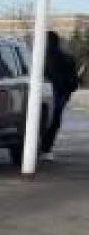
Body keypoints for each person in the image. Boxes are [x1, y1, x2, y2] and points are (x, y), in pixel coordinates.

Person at [39, 30, 79, 161]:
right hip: (60, 93)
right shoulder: (67, 58)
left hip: (45, 92)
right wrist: (68, 90)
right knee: (54, 121)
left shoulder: (39, 57)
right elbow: (74, 80)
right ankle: (45, 149)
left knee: (42, 120)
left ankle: (40, 147)